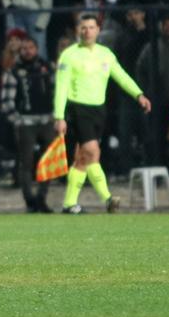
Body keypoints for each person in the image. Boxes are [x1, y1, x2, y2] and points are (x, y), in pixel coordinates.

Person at [55, 14, 152, 214]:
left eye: (91, 27)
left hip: (99, 109)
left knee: (84, 158)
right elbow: (61, 87)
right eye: (83, 27)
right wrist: (59, 116)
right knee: (92, 152)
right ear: (78, 30)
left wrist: (138, 94)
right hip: (78, 109)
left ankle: (69, 204)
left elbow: (121, 76)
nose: (87, 31)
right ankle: (107, 198)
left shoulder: (105, 54)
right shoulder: (69, 55)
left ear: (98, 30)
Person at [1, 37, 56, 213]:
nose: (28, 51)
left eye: (31, 47)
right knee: (26, 162)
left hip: (47, 120)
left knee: (48, 161)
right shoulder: (14, 71)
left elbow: (57, 90)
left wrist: (57, 115)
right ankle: (29, 200)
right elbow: (6, 100)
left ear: (37, 48)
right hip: (26, 122)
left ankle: (42, 197)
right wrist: (17, 120)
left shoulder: (47, 68)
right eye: (24, 48)